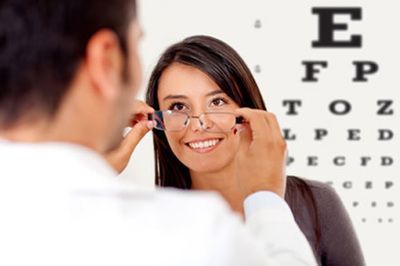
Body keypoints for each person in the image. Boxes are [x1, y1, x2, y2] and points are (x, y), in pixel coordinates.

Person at [0, 1, 317, 265]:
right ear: (106, 60)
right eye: (137, 43)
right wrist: (265, 199)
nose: (199, 123)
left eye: (218, 100)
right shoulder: (190, 235)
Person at [145, 35, 366, 266]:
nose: (199, 124)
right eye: (178, 107)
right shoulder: (147, 223)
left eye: (217, 102)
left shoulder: (316, 202)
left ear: (248, 109)